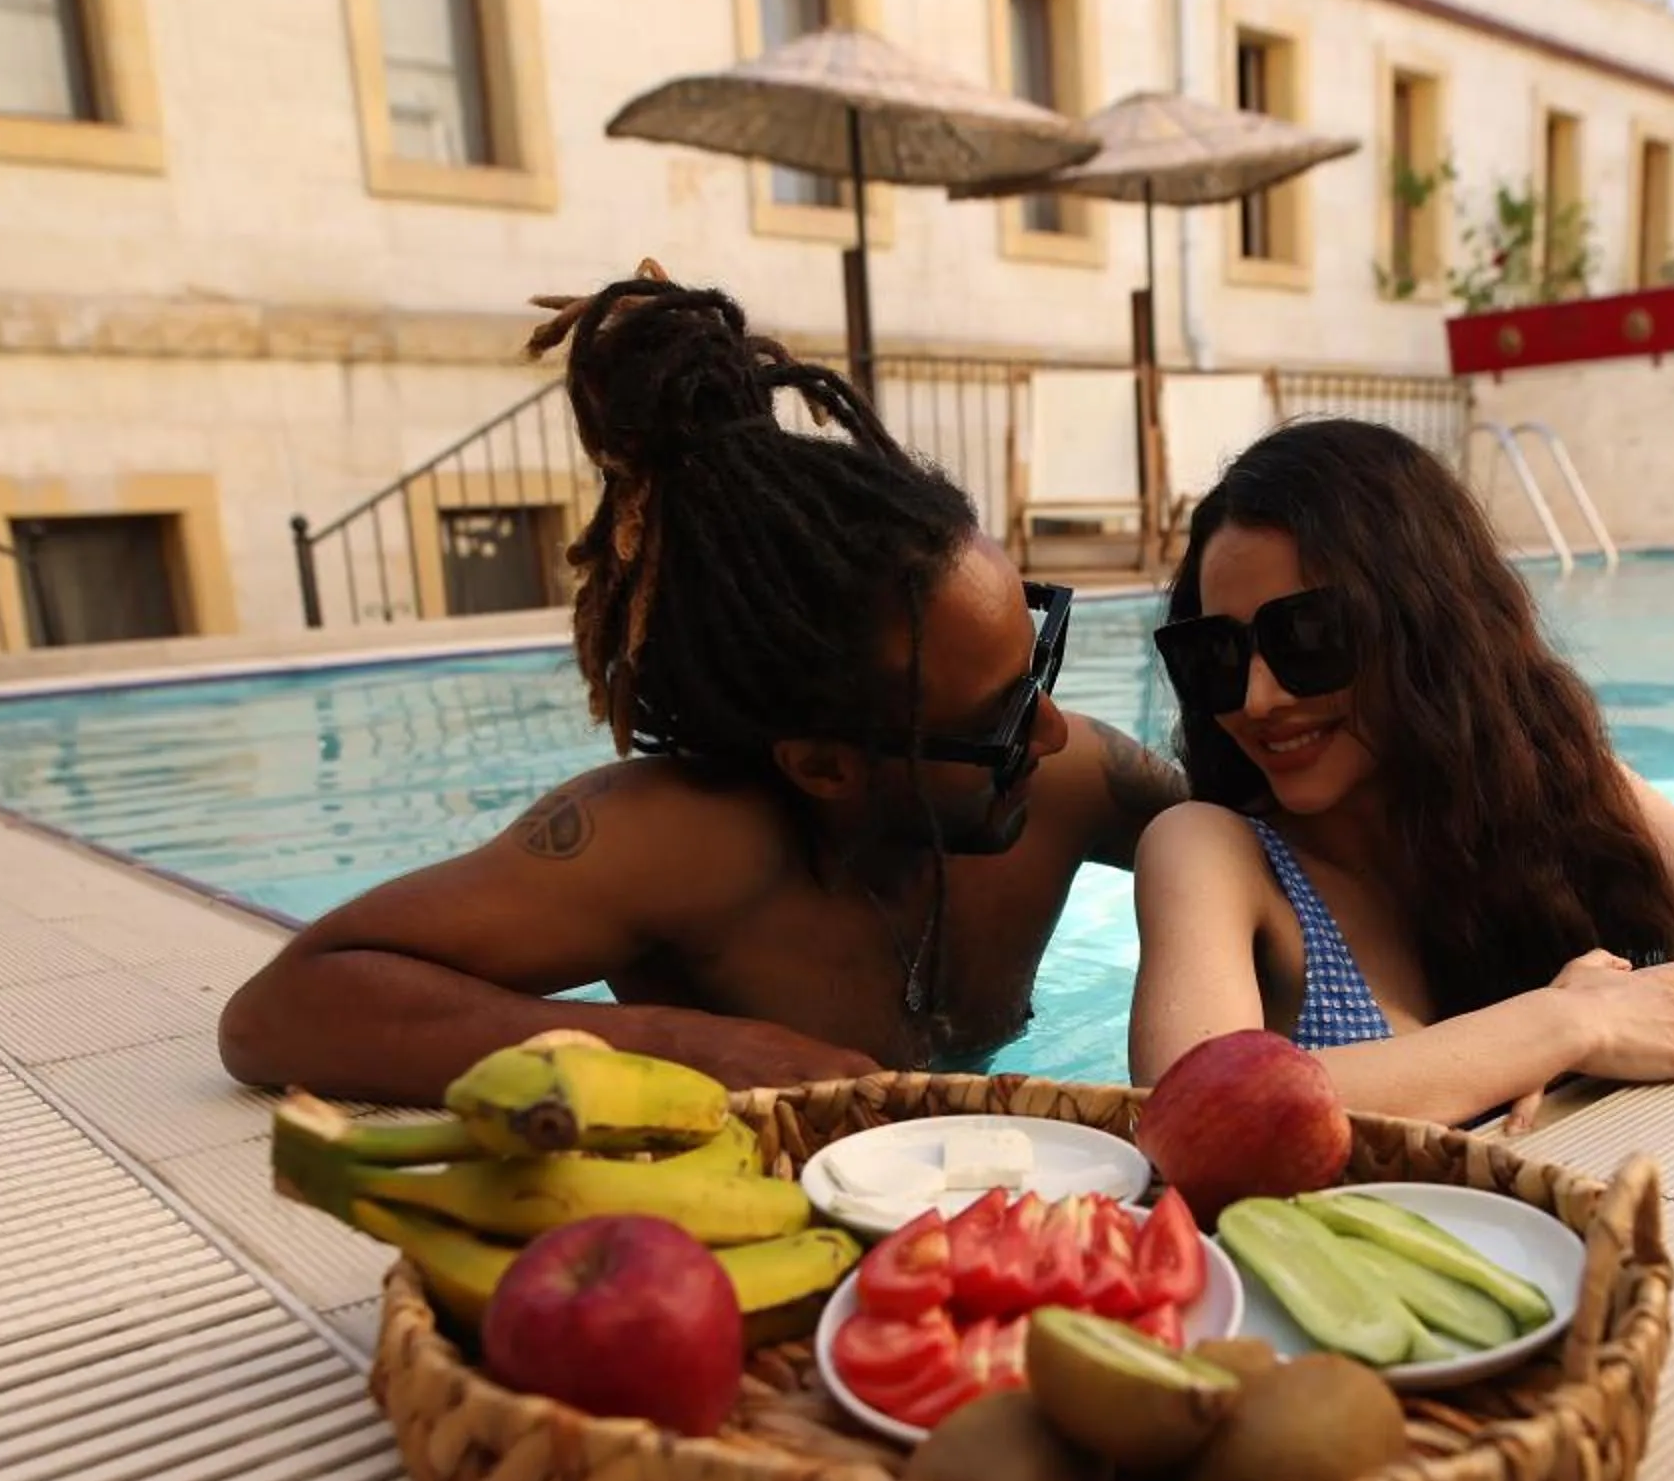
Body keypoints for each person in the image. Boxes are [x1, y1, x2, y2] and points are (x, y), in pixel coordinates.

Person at [219, 268, 1188, 1102]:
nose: (1053, 732)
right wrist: (675, 1044)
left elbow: (1256, 838)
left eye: (1036, 670)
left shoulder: (1073, 785)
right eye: (1003, 716)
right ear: (823, 765)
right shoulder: (682, 845)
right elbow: (277, 1014)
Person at [1129, 418, 1674, 1134]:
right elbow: (1194, 1107)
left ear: (1429, 632)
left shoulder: (1561, 795)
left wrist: (1622, 1011)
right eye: (1215, 655)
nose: (1258, 697)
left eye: (1309, 637)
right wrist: (1566, 1024)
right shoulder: (1215, 853)